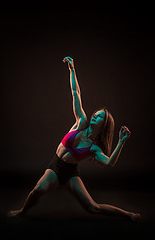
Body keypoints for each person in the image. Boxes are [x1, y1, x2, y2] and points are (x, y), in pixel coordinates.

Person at [8, 56, 140, 221]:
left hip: (70, 173)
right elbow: (75, 93)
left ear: (103, 125)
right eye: (96, 114)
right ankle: (22, 211)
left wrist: (121, 141)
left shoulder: (94, 148)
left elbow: (109, 163)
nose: (94, 116)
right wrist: (72, 69)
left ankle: (128, 215)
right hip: (56, 166)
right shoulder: (81, 122)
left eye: (99, 117)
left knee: (93, 207)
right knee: (37, 191)